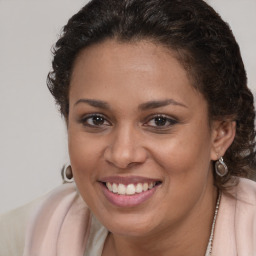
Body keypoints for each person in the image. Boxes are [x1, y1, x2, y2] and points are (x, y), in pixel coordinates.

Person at [1, 0, 256, 255]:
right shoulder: (24, 238)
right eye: (96, 120)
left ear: (220, 133)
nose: (122, 155)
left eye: (160, 121)